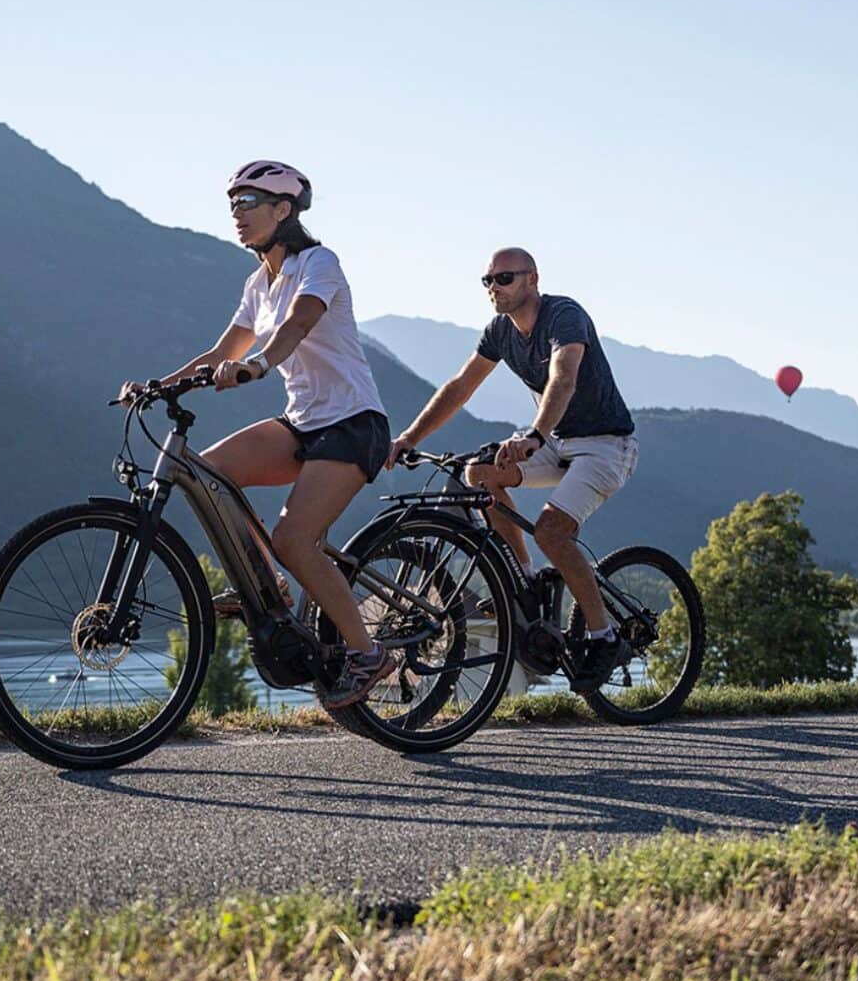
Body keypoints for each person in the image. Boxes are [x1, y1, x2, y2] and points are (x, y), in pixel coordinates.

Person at [122, 161, 393, 709]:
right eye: (232, 205)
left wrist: (261, 366)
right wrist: (160, 385)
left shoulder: (319, 263)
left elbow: (300, 323)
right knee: (208, 473)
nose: (236, 214)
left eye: (248, 203)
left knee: (295, 539)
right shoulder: (257, 282)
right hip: (303, 422)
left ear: (284, 210)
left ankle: (369, 653)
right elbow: (223, 352)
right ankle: (271, 584)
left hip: (352, 423)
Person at [388, 248, 639, 687]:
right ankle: (522, 580)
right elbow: (460, 388)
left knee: (551, 531)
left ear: (532, 279)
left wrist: (535, 435)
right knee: (478, 475)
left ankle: (605, 637)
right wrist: (410, 438)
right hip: (555, 440)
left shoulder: (563, 315)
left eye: (504, 278)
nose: (493, 289)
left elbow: (564, 377)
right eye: (487, 281)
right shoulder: (500, 330)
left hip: (605, 445)